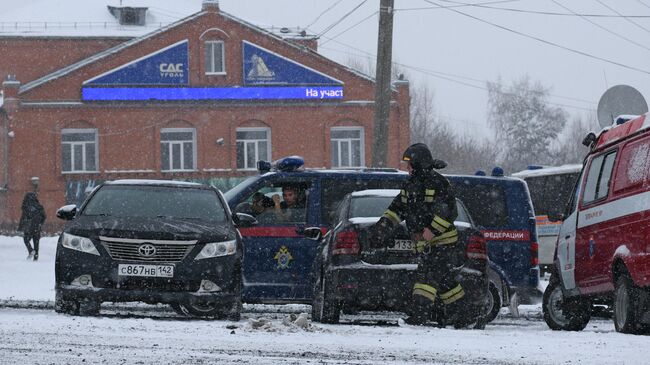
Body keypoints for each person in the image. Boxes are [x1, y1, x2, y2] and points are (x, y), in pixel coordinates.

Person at [369, 143, 467, 327]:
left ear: (419, 164)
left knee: (425, 279)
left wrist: (431, 231)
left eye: (410, 165)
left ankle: (418, 317)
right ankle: (462, 316)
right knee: (445, 282)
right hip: (426, 244)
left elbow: (448, 212)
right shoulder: (409, 185)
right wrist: (381, 227)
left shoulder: (438, 182)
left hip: (443, 242)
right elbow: (397, 209)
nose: (407, 169)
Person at [18, 192, 46, 261]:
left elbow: (23, 218)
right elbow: (44, 216)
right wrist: (40, 224)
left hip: (29, 227)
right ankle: (36, 258)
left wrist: (20, 227)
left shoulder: (26, 207)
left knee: (26, 239)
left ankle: (31, 250)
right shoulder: (39, 206)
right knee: (36, 242)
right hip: (37, 227)